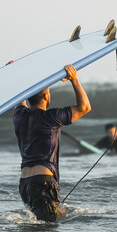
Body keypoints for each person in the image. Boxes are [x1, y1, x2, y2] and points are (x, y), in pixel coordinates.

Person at [13, 64, 91, 222]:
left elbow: (18, 98)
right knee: (46, 227)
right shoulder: (51, 117)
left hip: (25, 184)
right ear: (45, 97)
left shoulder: (19, 115)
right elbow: (85, 107)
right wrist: (74, 79)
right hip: (43, 182)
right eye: (48, 92)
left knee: (38, 224)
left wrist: (16, 72)